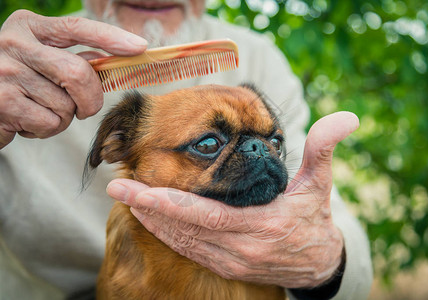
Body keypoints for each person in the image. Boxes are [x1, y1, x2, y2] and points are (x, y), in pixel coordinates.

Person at [0, 0, 373, 299]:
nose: (261, 153)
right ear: (115, 146)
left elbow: (340, 238)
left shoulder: (260, 57)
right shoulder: (19, 61)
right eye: (208, 144)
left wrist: (322, 259)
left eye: (272, 142)